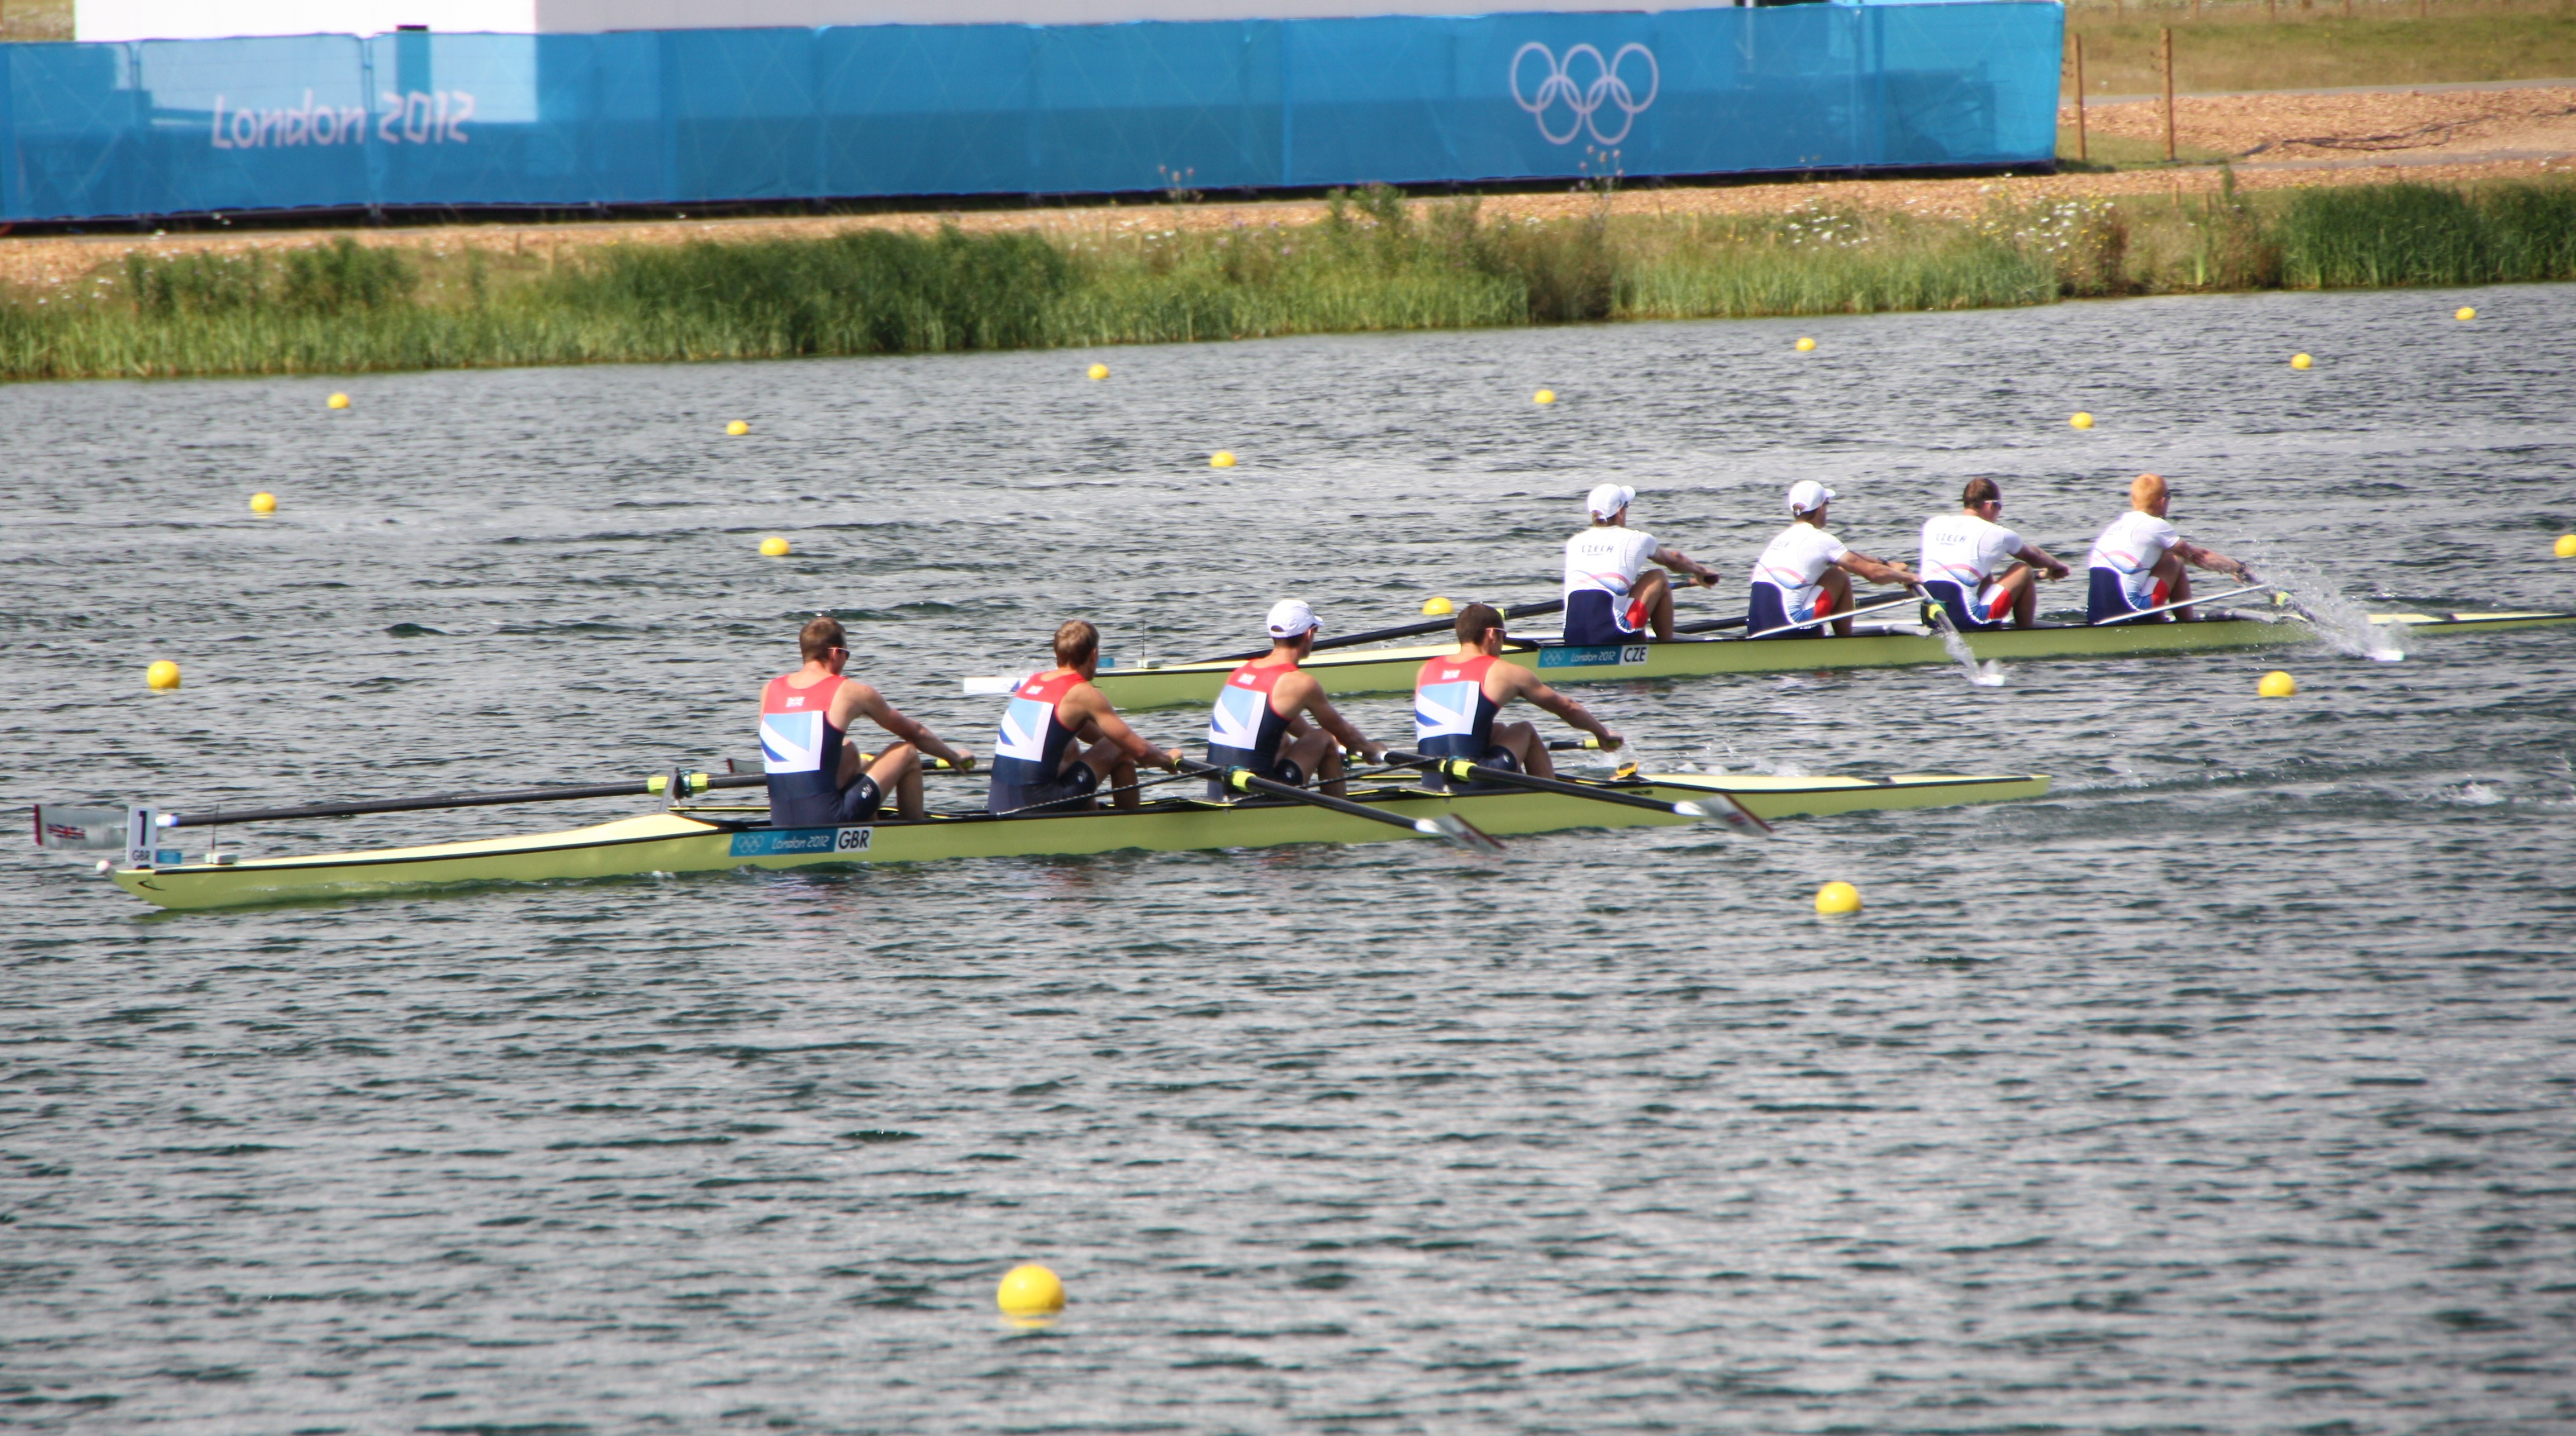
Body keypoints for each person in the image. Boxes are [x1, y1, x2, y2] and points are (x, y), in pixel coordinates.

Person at [759, 615, 973, 826]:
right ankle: (914, 835)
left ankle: (868, 822)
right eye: (847, 655)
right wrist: (954, 756)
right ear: (836, 653)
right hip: (828, 820)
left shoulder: (770, 690)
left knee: (849, 750)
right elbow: (915, 732)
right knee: (906, 751)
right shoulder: (850, 691)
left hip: (781, 821)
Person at [1413, 603, 1622, 791]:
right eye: (1504, 637)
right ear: (1492, 634)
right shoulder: (1503, 671)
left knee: (1498, 730)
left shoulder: (1426, 670)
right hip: (1476, 778)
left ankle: (1514, 787)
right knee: (1524, 730)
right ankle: (1548, 798)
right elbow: (1567, 707)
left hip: (1432, 780)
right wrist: (1602, 733)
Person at [987, 618, 1183, 815]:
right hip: (1040, 804)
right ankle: (1132, 828)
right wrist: (1165, 759)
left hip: (999, 804)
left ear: (1058, 653)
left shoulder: (1034, 682)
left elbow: (1096, 736)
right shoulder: (1082, 693)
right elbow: (1138, 752)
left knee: (1070, 746)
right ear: (1094, 655)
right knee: (1119, 749)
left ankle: (1091, 814)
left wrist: (1137, 753)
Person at [1204, 599, 1388, 799]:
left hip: (1219, 787)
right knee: (1324, 739)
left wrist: (1339, 747)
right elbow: (1347, 735)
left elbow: (1301, 730)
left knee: (1282, 738)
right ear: (1309, 634)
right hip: (1256, 793)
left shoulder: (1243, 671)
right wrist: (1371, 749)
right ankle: (1339, 815)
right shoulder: (1300, 683)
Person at [1746, 480, 1920, 638]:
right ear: (1821, 508)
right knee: (1838, 575)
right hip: (1793, 630)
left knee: (1830, 571)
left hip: (1757, 631)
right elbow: (1872, 574)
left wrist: (1888, 565)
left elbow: (1850, 556)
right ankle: (1844, 644)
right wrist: (1909, 578)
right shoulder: (1821, 540)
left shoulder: (1781, 540)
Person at [1562, 484, 1723, 645]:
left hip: (1572, 637)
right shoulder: (1636, 538)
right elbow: (1674, 560)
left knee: (1620, 593)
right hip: (1614, 635)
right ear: (1621, 511)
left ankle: (1640, 645)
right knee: (1658, 577)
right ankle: (1667, 651)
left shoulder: (1574, 542)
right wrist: (1701, 573)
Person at [2085, 472, 2252, 625]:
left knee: (2154, 559)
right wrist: (2238, 569)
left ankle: (2159, 619)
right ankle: (2187, 625)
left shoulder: (2113, 529)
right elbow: (2197, 557)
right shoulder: (2155, 525)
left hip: (2097, 619)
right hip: (2132, 614)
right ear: (2163, 501)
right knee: (2175, 559)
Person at [1919, 478, 2072, 632]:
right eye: (2000, 507)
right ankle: (2025, 635)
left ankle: (1993, 624)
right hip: (1969, 621)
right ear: (1991, 505)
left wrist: (2040, 575)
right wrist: (2057, 566)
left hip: (1931, 617)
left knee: (1984, 574)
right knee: (2023, 569)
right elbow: (2034, 557)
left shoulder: (1933, 523)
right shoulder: (1998, 533)